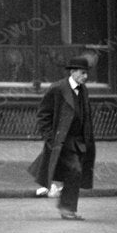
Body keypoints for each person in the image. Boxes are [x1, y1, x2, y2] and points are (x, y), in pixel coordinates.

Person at [30, 56, 96, 221]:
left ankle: (68, 208)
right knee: (75, 170)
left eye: (86, 73)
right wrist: (50, 138)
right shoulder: (58, 88)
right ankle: (67, 209)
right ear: (72, 72)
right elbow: (43, 115)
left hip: (79, 140)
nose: (85, 77)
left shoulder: (83, 90)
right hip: (62, 140)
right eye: (82, 73)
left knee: (75, 173)